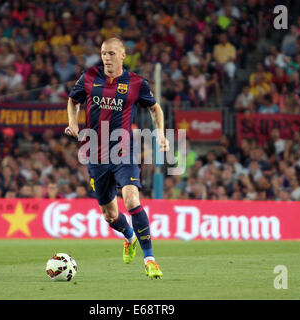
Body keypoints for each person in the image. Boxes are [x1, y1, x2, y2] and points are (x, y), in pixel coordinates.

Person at [65, 37, 169, 279]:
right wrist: (72, 122)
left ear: (123, 56)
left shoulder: (135, 83)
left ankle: (150, 260)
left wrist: (161, 134)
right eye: (103, 53)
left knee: (131, 200)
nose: (106, 58)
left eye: (111, 53)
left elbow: (155, 108)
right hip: (95, 154)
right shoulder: (90, 76)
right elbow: (73, 100)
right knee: (110, 215)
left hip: (124, 151)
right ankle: (129, 237)